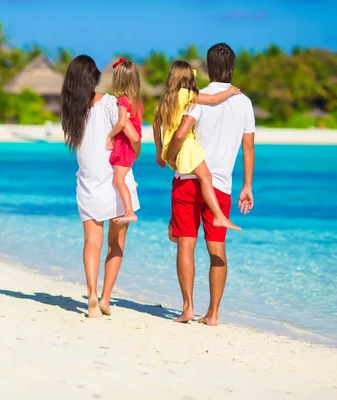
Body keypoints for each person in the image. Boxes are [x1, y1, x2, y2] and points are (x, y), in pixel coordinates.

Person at [165, 43, 256, 324]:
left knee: (185, 244)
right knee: (217, 247)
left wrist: (169, 155)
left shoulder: (198, 98)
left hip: (189, 180)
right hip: (222, 186)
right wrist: (247, 186)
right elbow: (248, 148)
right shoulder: (244, 102)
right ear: (233, 67)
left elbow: (181, 133)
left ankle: (188, 308)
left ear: (207, 67)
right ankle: (213, 314)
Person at [61, 55, 141, 318]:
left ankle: (92, 296)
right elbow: (132, 135)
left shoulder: (70, 112)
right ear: (93, 78)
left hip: (88, 182)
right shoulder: (109, 103)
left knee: (91, 242)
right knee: (115, 244)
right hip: (116, 180)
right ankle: (106, 298)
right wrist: (135, 149)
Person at [153, 60, 241, 232]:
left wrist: (159, 152)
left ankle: (173, 225)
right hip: (186, 145)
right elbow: (213, 99)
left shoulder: (165, 99)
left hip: (170, 148)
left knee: (182, 186)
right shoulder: (185, 94)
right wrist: (230, 91)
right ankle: (218, 215)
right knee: (206, 178)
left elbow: (156, 126)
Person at [105, 58, 144, 225]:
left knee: (117, 180)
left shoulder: (122, 101)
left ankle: (129, 211)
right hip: (131, 146)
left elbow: (121, 123)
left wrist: (110, 135)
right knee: (122, 176)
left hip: (124, 145)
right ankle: (130, 186)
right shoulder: (137, 100)